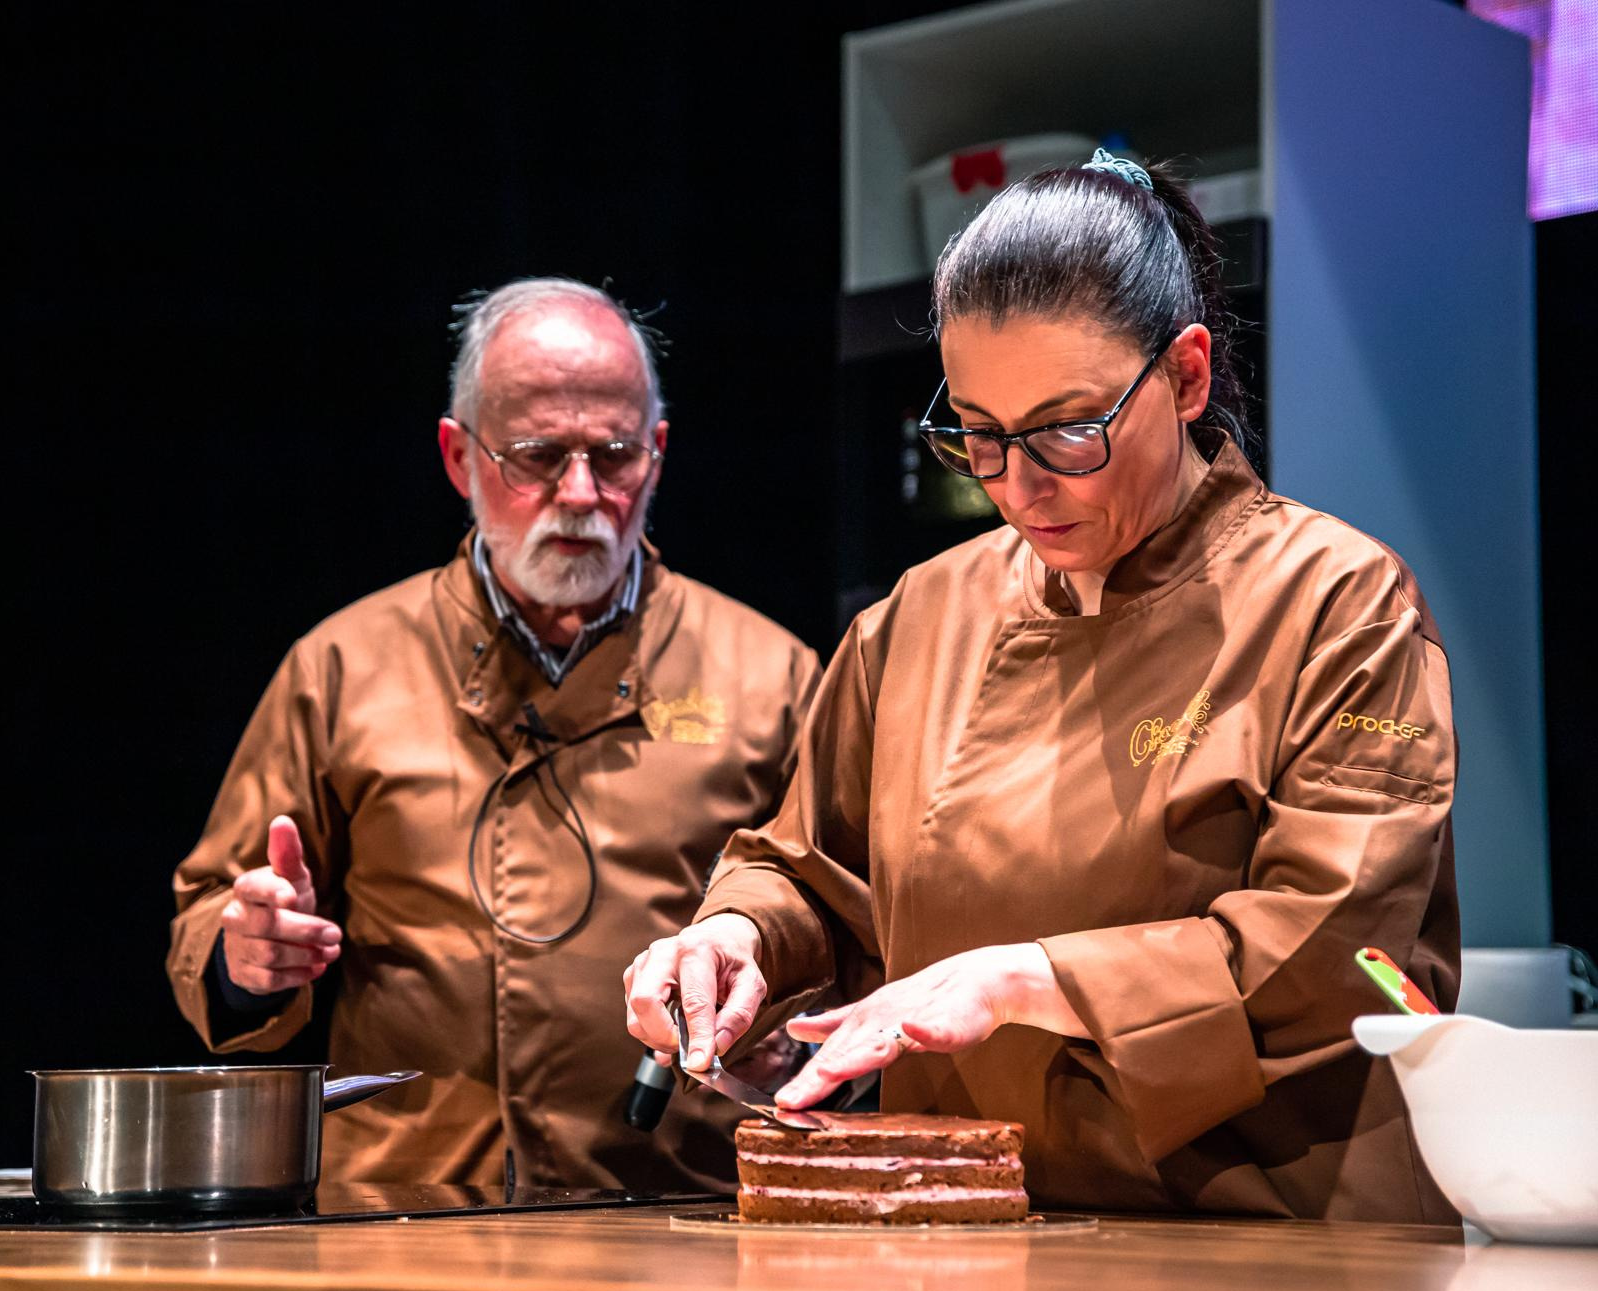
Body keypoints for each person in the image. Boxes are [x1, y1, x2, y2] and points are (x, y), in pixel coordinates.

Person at [625, 152, 1461, 1222]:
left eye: (1069, 429)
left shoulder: (1338, 603)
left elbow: (1344, 953)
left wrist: (1031, 980)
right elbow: (809, 871)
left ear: (1186, 376)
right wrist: (735, 938)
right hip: (961, 1226)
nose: (1018, 486)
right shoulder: (919, 616)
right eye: (977, 434)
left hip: (1260, 1231)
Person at [170, 278, 821, 1191]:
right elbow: (210, 910)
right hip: (406, 1212)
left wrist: (789, 1037)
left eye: (616, 454)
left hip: (676, 1208)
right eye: (536, 455)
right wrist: (247, 958)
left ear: (661, 453)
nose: (582, 493)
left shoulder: (776, 674)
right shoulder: (342, 665)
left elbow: (845, 925)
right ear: (457, 456)